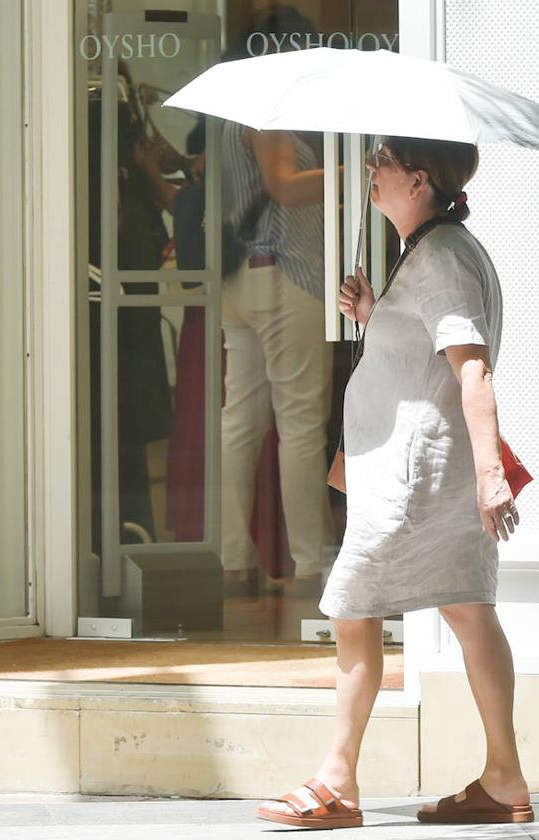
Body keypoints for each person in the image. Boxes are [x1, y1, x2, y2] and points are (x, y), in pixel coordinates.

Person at [254, 137, 533, 829]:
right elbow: (429, 359)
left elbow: (473, 371)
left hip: (415, 481)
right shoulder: (441, 253)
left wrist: (492, 476)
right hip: (429, 475)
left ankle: (336, 782)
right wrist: (376, 316)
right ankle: (503, 777)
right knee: (469, 610)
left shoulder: (441, 259)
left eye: (380, 161)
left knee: (353, 612)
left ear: (419, 178)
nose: (370, 172)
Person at [219, 10, 337, 593]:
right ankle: (311, 562)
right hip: (285, 272)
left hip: (241, 279)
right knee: (300, 425)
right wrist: (351, 173)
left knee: (239, 422)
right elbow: (284, 186)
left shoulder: (230, 107)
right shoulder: (268, 105)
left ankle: (233, 557)